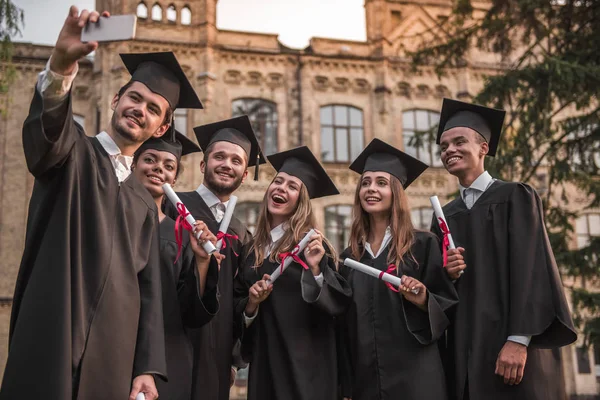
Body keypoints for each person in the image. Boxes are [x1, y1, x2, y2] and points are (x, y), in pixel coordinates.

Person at [0, 7, 203, 400]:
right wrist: (60, 66)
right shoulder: (73, 154)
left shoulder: (145, 203)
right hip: (55, 325)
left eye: (152, 108)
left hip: (113, 349)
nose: (138, 109)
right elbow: (48, 135)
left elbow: (148, 290)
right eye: (134, 97)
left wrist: (146, 366)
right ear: (115, 99)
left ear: (160, 127)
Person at [432, 98, 577, 400]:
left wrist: (518, 340)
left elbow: (534, 268)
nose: (450, 151)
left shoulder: (516, 197)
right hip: (464, 354)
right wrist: (447, 274)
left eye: (460, 142)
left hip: (510, 351)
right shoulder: (445, 215)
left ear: (483, 148)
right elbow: (440, 291)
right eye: (444, 146)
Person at [337, 138, 459, 400]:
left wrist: (424, 299)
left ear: (396, 192)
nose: (371, 189)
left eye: (381, 183)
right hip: (365, 380)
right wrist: (346, 385)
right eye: (366, 182)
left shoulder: (423, 246)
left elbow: (448, 305)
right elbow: (343, 327)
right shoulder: (349, 259)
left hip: (416, 378)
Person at [233, 146, 352, 400]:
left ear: (301, 200)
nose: (281, 189)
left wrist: (317, 269)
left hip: (309, 366)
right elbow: (239, 308)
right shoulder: (252, 250)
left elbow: (337, 307)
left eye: (292, 186)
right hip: (266, 361)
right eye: (277, 182)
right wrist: (251, 304)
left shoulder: (315, 248)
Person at [163, 115, 265, 400]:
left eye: (236, 161)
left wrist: (233, 357)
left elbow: (238, 297)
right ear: (203, 164)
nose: (226, 165)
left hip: (216, 351)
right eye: (219, 156)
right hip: (172, 335)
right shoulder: (174, 207)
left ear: (245, 174)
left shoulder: (241, 232)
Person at [132, 131, 223, 400]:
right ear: (133, 165)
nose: (159, 168)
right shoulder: (108, 219)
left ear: (175, 178)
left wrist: (202, 261)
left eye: (169, 166)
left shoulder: (182, 235)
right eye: (150, 159)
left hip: (167, 359)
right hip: (113, 347)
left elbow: (193, 312)